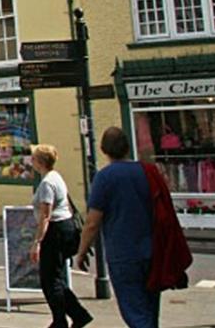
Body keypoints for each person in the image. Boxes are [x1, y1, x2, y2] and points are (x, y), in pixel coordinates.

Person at [75, 127, 158, 328]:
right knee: (149, 309)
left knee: (135, 312)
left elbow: (92, 222)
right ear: (127, 147)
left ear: (104, 150)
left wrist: (82, 251)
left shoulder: (105, 177)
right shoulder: (147, 171)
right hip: (151, 249)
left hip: (123, 252)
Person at [30, 144, 93, 328]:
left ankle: (61, 321)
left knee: (50, 280)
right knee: (55, 277)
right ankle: (77, 315)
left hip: (55, 231)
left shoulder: (47, 183)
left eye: (33, 158)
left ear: (40, 162)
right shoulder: (56, 177)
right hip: (64, 227)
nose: (31, 161)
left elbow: (46, 215)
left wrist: (37, 242)